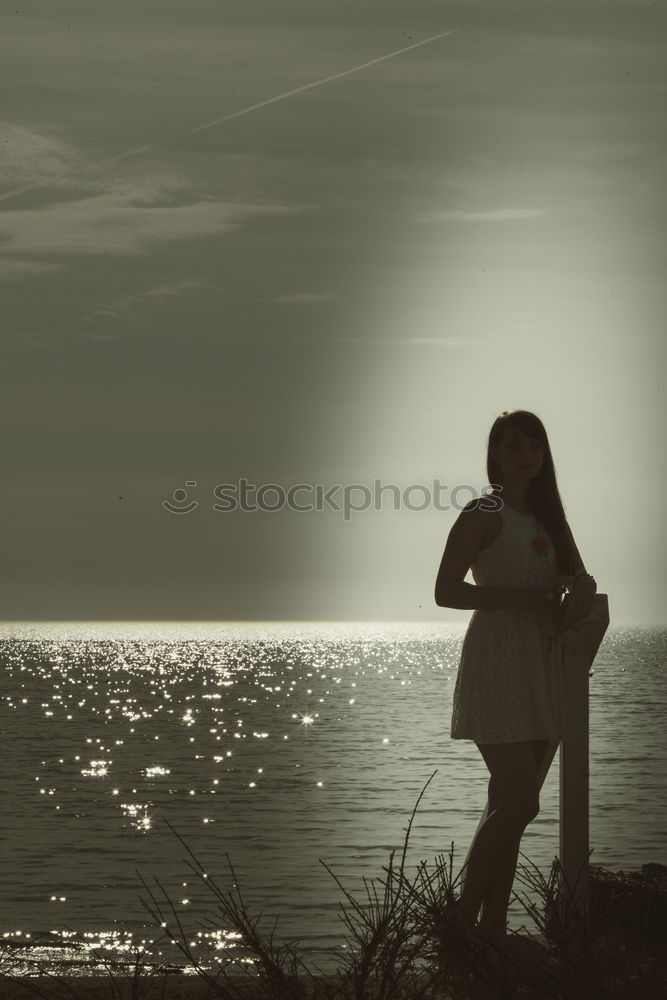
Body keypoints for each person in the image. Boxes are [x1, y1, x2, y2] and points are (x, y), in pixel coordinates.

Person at [434, 409, 597, 946]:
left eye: (535, 445)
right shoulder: (484, 512)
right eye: (513, 445)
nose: (526, 454)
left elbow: (576, 580)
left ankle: (492, 931)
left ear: (544, 454)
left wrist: (582, 588)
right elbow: (447, 591)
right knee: (521, 802)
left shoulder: (551, 518)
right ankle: (460, 925)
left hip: (543, 664)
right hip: (499, 657)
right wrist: (520, 598)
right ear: (496, 454)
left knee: (506, 806)